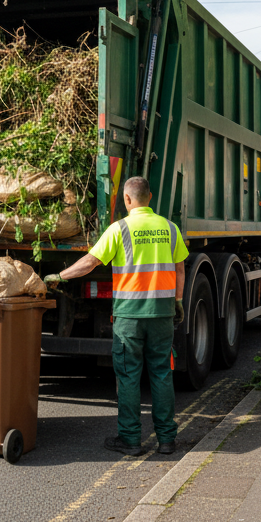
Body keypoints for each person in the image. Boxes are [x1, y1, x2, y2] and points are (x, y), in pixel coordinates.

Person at [45, 176, 187, 457]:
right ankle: (167, 440)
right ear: (150, 197)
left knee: (129, 376)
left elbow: (90, 262)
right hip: (161, 315)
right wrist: (179, 302)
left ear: (127, 199)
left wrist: (59, 275)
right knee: (161, 374)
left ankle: (131, 440)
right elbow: (180, 270)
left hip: (129, 317)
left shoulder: (119, 229)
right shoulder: (170, 229)